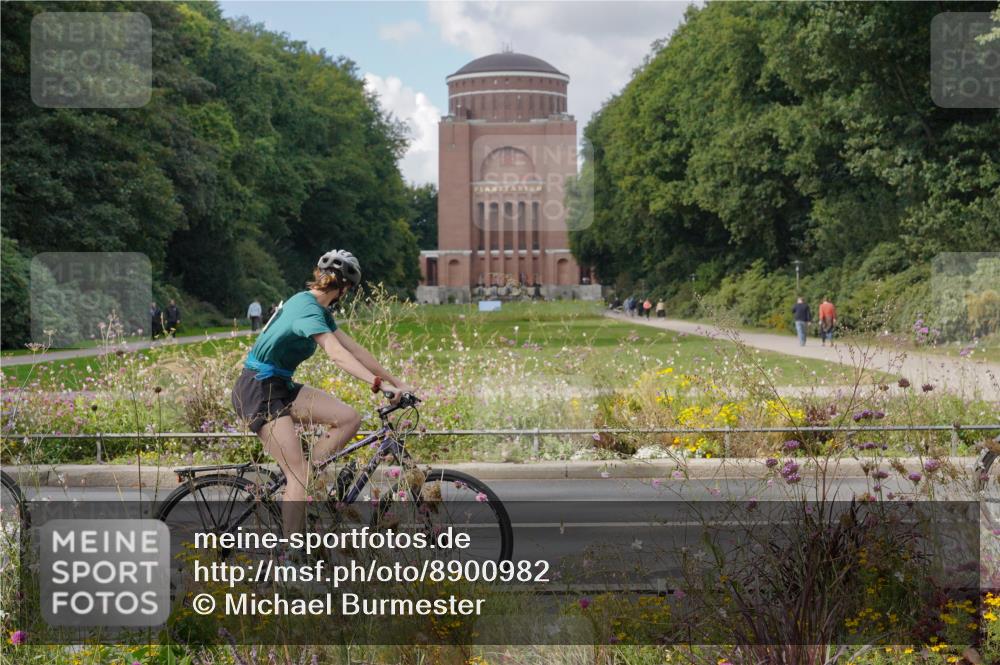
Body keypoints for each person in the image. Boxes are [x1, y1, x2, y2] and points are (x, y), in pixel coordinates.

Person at [231, 249, 415, 536]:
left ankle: (306, 481)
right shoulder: (307, 309)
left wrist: (397, 383)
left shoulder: (317, 310)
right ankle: (291, 552)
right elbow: (337, 354)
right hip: (258, 389)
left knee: (349, 418)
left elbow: (355, 350)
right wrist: (379, 385)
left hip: (280, 385)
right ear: (345, 289)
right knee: (298, 474)